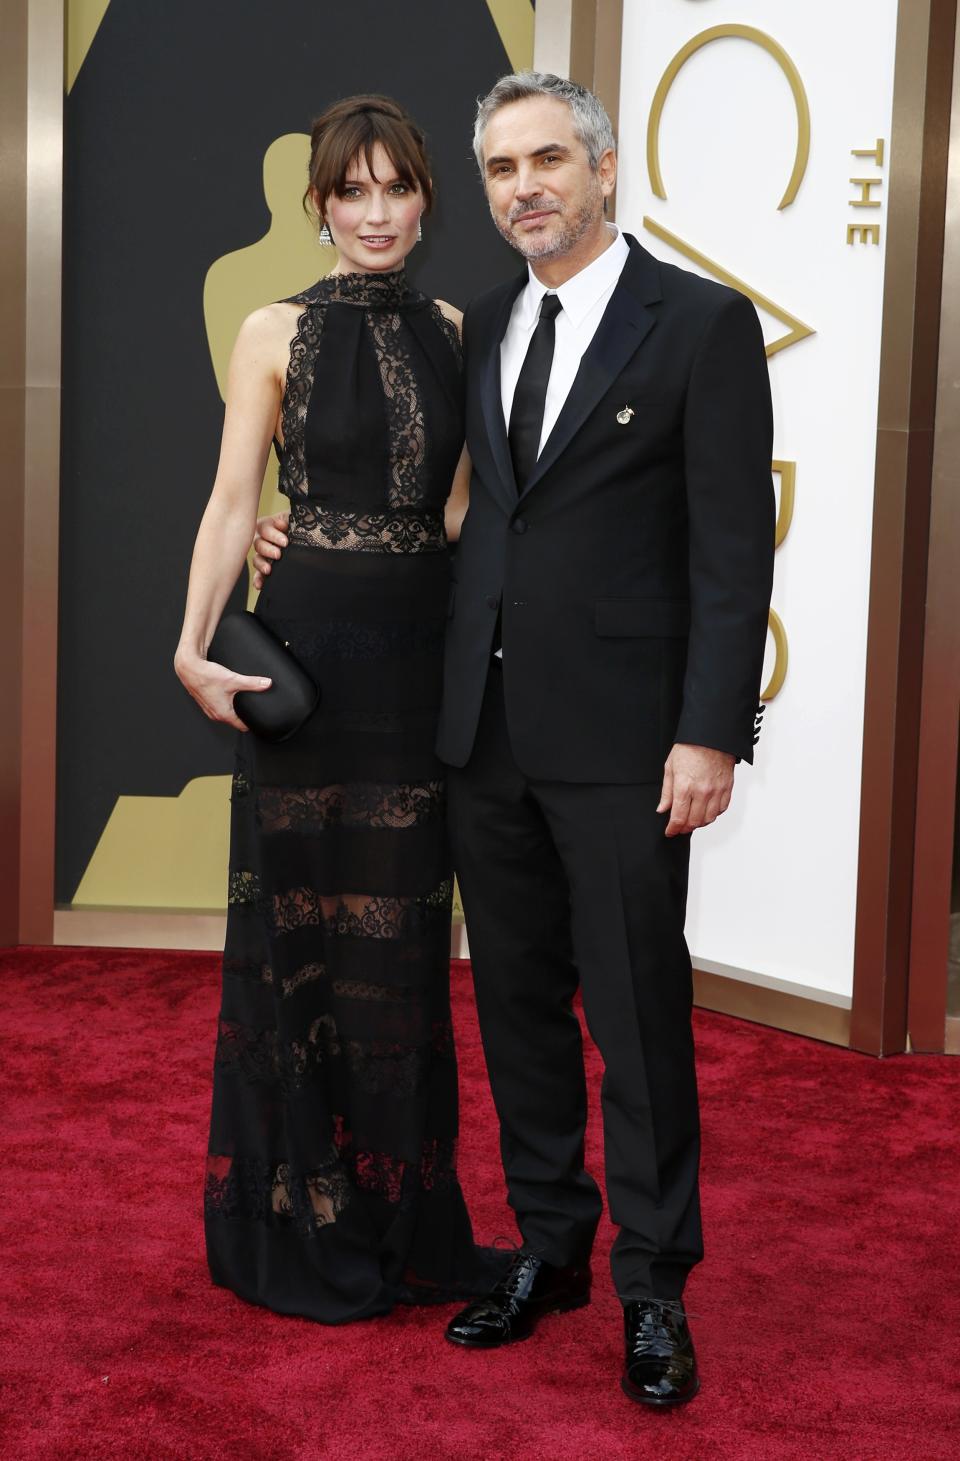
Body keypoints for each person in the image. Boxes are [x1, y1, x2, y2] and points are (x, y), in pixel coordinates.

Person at [255, 71, 774, 1404]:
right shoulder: (475, 323)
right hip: (478, 734)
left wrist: (711, 732)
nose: (524, 186)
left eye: (548, 159)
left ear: (603, 171)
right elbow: (448, 508)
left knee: (640, 1024)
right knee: (519, 1014)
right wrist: (288, 537)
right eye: (500, 169)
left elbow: (730, 551)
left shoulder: (699, 325)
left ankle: (656, 1289)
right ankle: (553, 1250)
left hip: (624, 743)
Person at [174, 94, 502, 1324]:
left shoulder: (464, 328)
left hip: (419, 666)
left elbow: (467, 512)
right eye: (351, 191)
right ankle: (300, 1212)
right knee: (301, 939)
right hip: (309, 656)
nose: (376, 212)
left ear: (427, 198)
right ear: (319, 207)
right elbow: (227, 500)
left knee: (403, 951)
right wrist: (192, 642)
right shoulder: (270, 330)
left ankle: (400, 1214)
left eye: (397, 188)